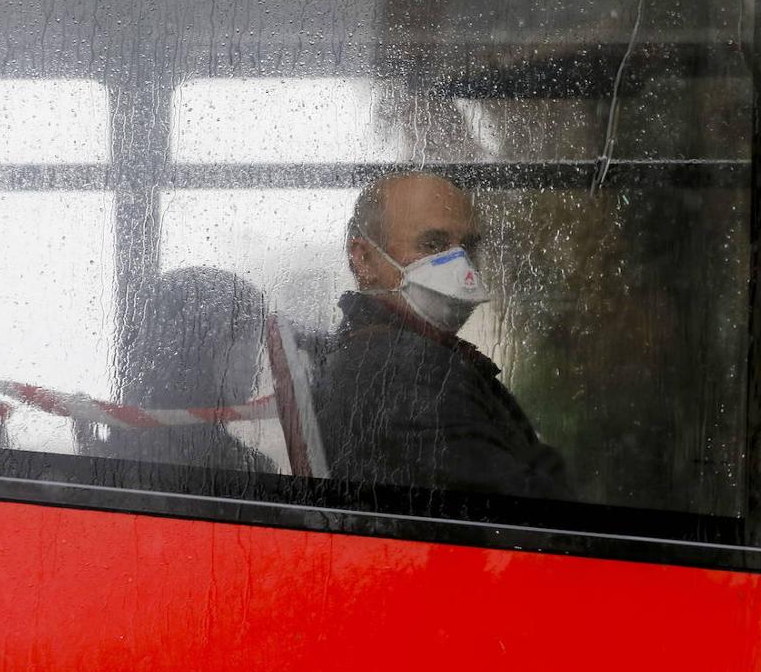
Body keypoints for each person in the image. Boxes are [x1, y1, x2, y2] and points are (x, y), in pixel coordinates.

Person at [312, 172, 566, 498]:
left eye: (468, 248)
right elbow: (534, 513)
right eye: (433, 244)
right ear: (364, 259)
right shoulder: (406, 375)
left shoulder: (402, 355)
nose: (461, 267)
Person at [78, 267, 275, 473]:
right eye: (244, 349)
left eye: (256, 348)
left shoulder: (110, 461)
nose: (256, 367)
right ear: (195, 357)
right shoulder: (248, 474)